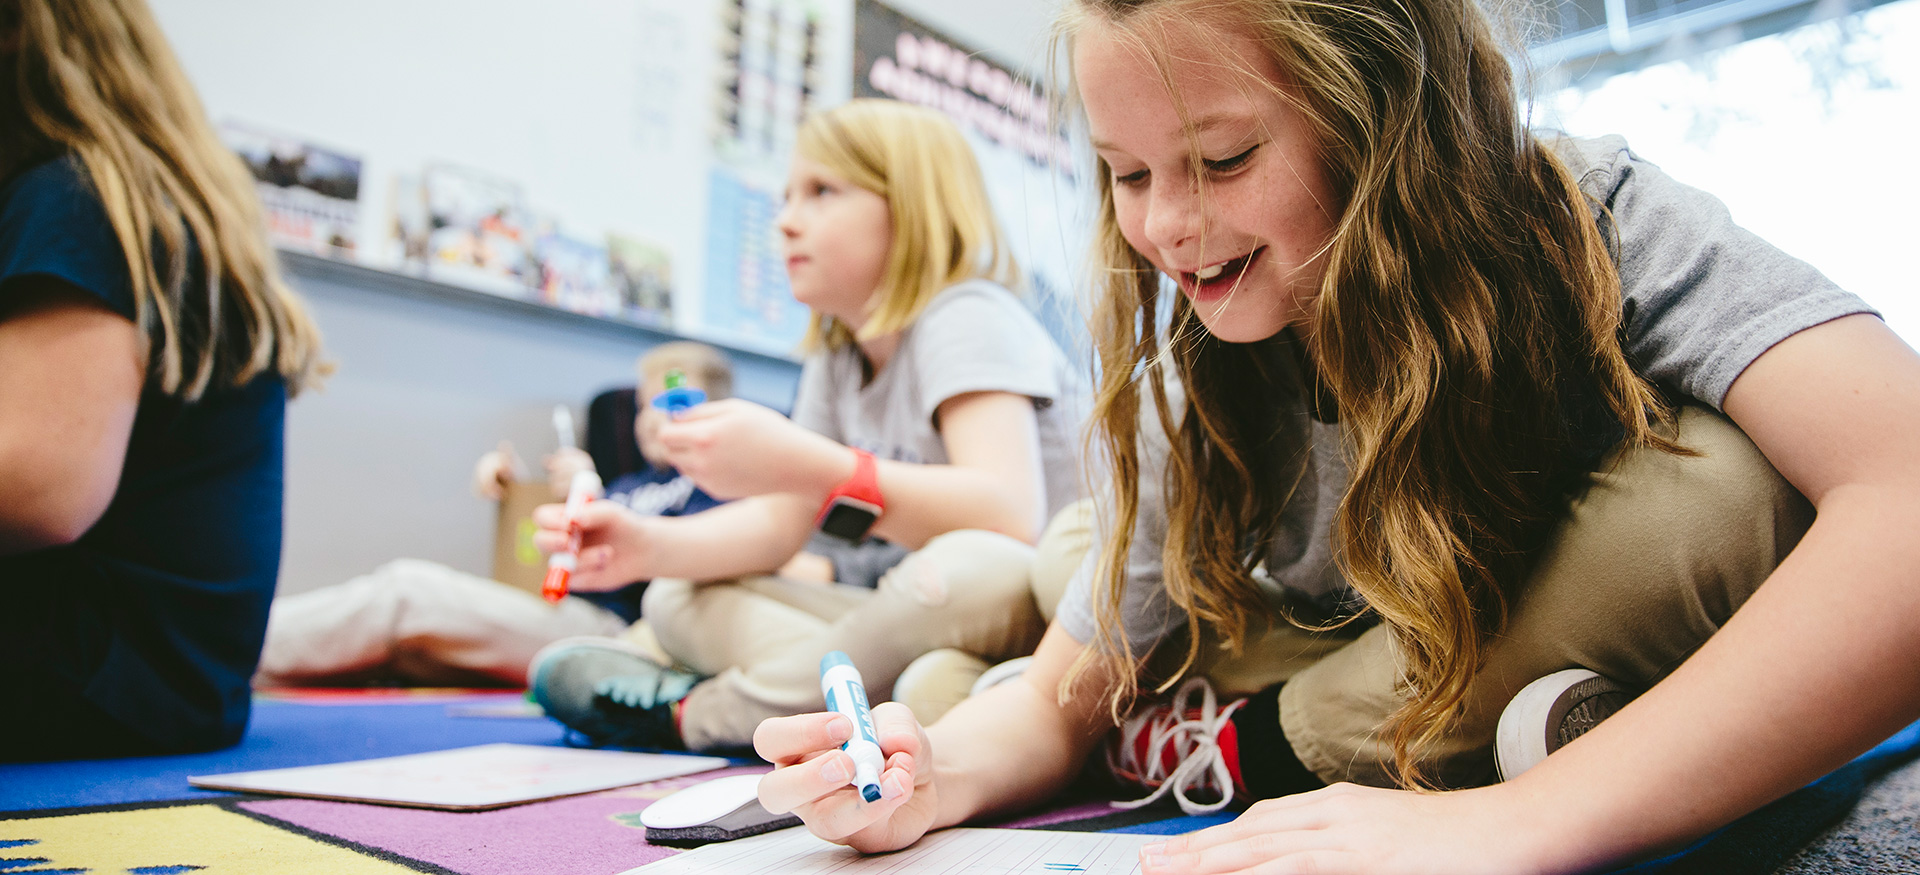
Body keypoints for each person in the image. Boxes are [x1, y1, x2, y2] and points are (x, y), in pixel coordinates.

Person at [751, 1, 1920, 872]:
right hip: (1282, 630)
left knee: (1720, 496)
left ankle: (1160, 717)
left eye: (1223, 160)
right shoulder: (1197, 370)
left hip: (1395, 642)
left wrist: (1510, 823)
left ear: (1388, 117)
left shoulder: (1588, 215)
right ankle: (1009, 684)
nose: (1165, 226)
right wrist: (937, 768)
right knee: (1058, 571)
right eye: (1123, 174)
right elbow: (1073, 685)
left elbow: (1902, 486)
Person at [526, 99, 1089, 753]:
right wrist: (644, 543)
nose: (786, 221)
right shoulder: (836, 354)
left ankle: (704, 712)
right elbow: (778, 525)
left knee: (971, 566)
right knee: (674, 595)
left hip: (1030, 608)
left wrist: (816, 466)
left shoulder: (967, 316)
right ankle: (876, 696)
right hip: (911, 617)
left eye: (822, 192)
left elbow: (1008, 519)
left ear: (912, 210)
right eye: (787, 197)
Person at [0, 0, 328, 760]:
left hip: (106, 673)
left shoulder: (74, 196)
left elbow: (39, 489)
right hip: (171, 680)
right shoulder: (120, 198)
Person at [254, 342, 775, 688]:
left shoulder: (723, 486)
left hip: (622, 632)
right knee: (403, 648)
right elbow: (552, 546)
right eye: (642, 406)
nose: (649, 420)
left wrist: (595, 502)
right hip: (560, 606)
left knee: (405, 594)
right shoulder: (631, 484)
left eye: (669, 400)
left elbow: (695, 561)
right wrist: (520, 490)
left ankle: (233, 647)